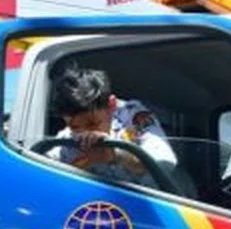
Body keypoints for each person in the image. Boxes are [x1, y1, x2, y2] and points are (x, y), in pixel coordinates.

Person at [46, 66, 178, 190]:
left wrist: (118, 155)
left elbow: (166, 164)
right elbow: (46, 174)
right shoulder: (66, 141)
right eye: (75, 127)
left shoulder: (135, 117)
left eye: (93, 124)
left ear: (111, 106)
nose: (86, 134)